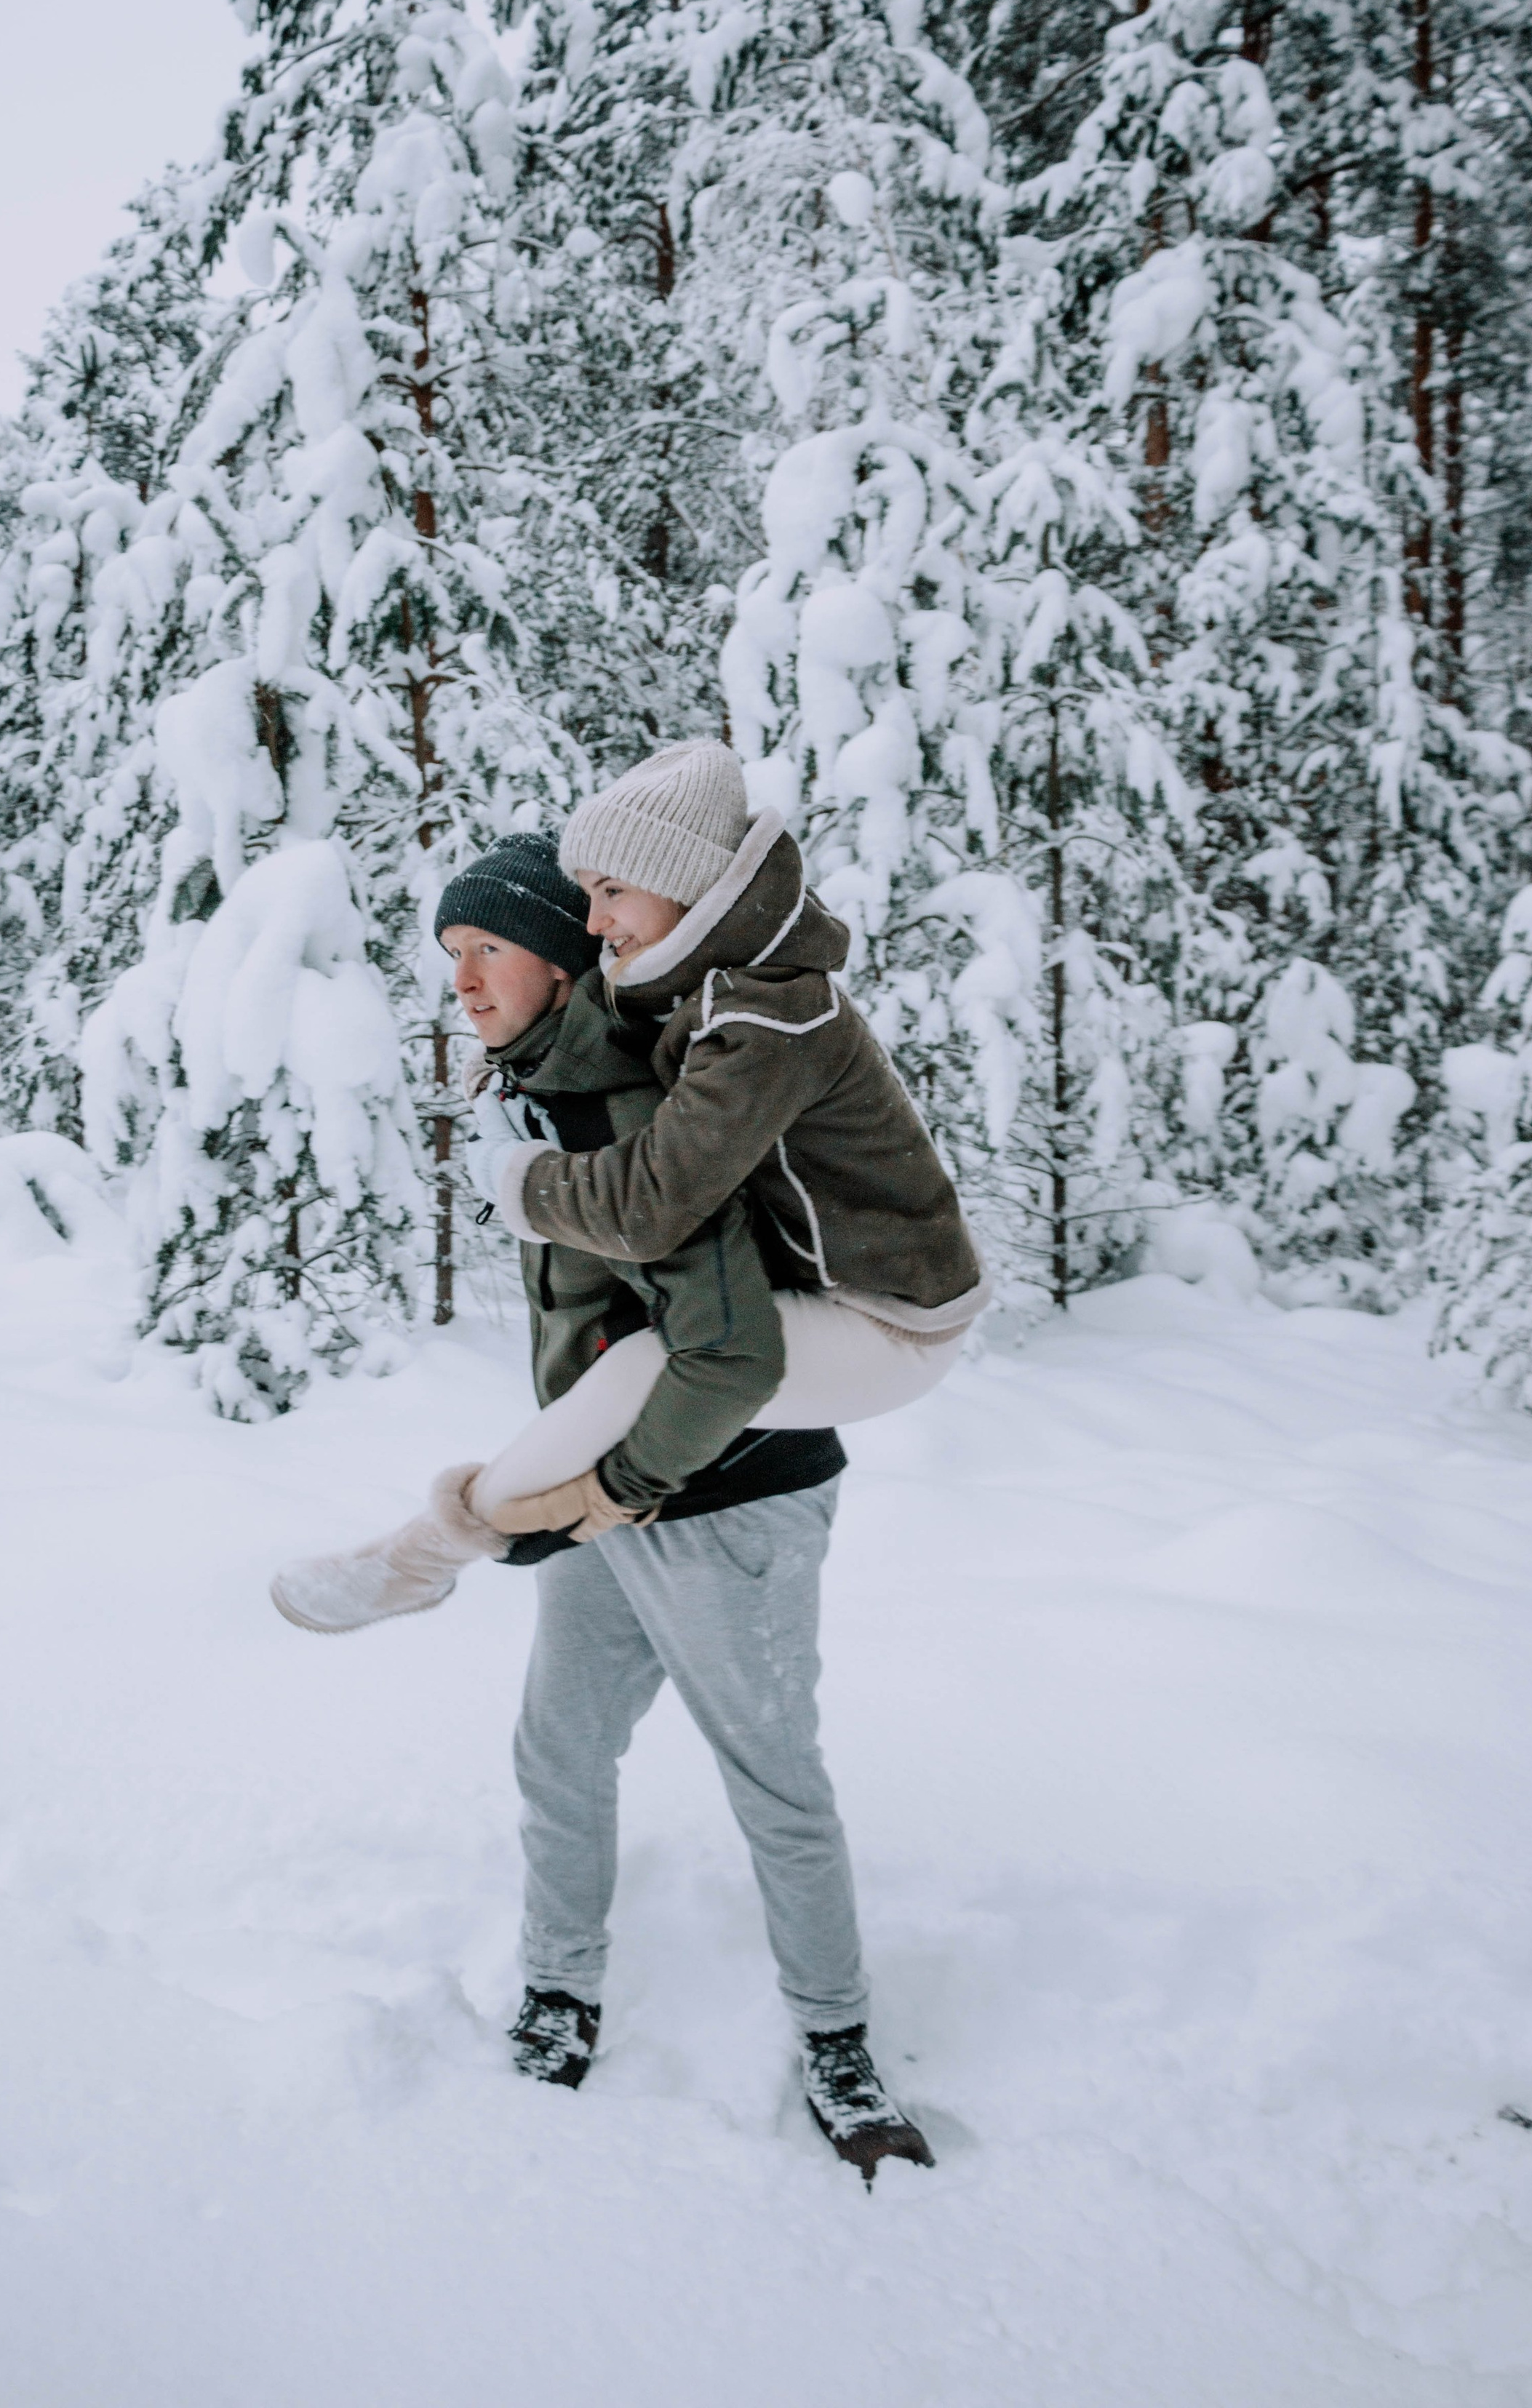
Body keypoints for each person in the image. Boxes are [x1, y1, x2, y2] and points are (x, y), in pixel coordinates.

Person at [270, 825, 957, 2177]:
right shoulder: (543, 1089)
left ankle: (837, 2045)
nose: (463, 981)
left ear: (567, 952)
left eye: (489, 949)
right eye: (450, 957)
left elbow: (726, 1349)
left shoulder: (628, 1104)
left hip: (729, 1498)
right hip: (601, 1485)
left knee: (773, 1782)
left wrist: (623, 1486)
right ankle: (559, 1989)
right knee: (562, 1754)